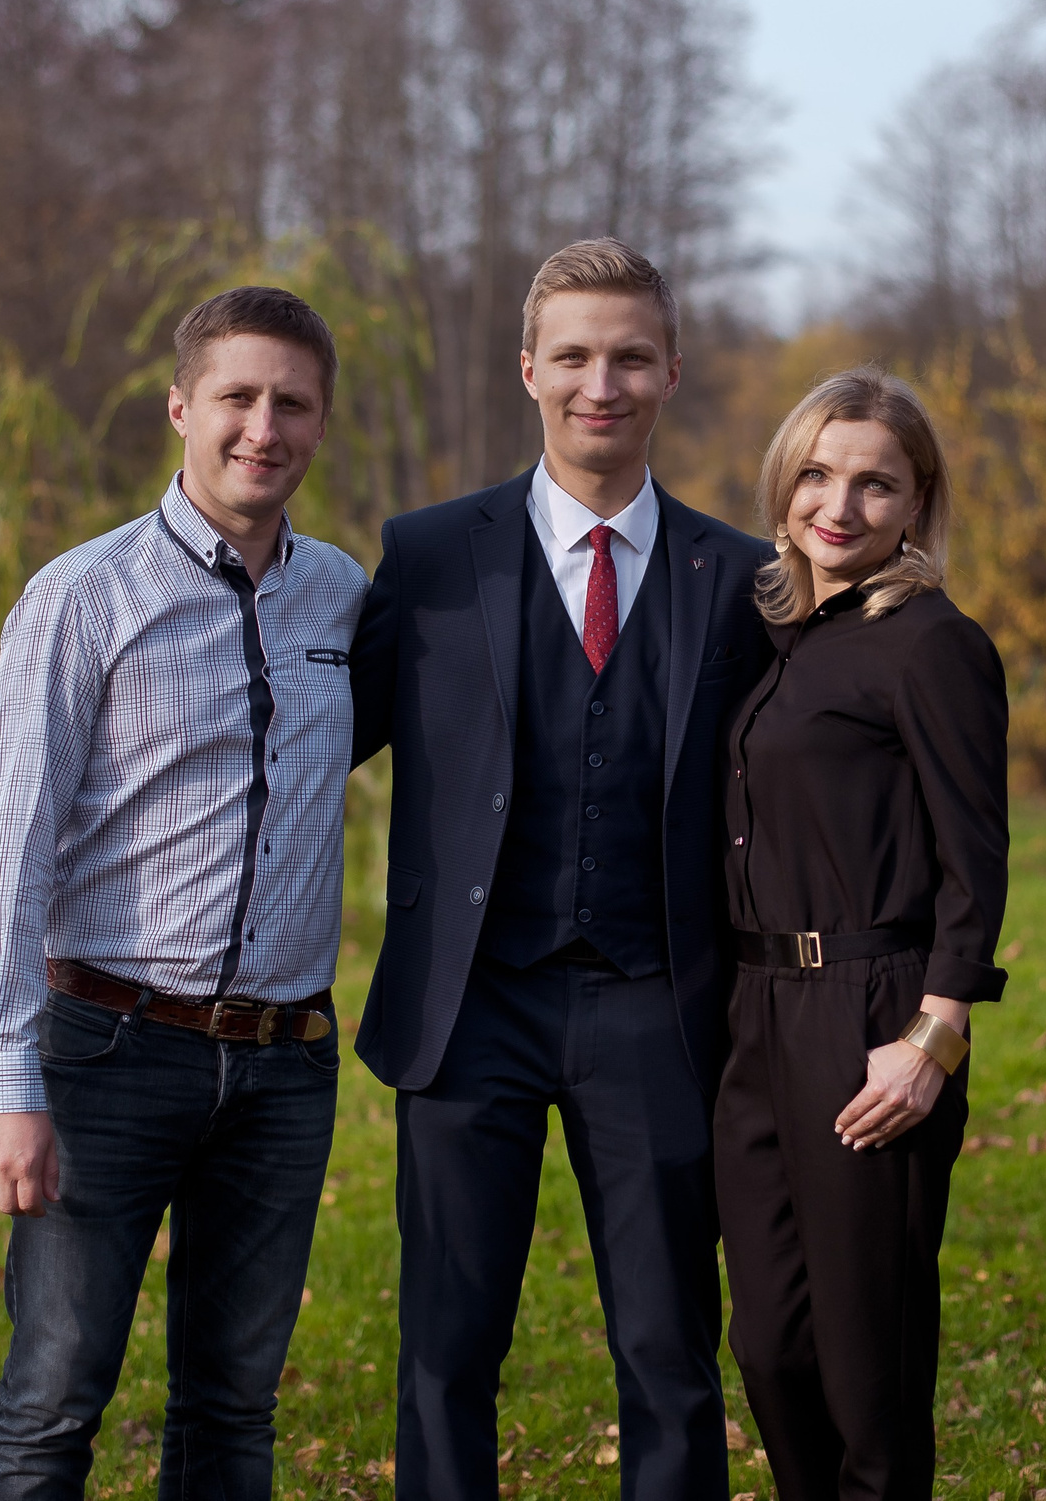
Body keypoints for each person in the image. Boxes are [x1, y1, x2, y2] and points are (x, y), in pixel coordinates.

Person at [350, 237, 775, 1501]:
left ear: (671, 371)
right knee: (446, 1348)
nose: (603, 382)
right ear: (528, 367)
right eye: (576, 355)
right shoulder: (432, 553)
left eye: (631, 356)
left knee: (668, 1349)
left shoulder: (740, 577)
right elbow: (317, 739)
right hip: (466, 1000)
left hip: (655, 1001)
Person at [0, 286, 368, 1500]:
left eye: (292, 403)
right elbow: (12, 852)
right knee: (52, 1400)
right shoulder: (82, 596)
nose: (264, 427)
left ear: (321, 421)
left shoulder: (342, 596)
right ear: (182, 406)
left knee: (233, 1407)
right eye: (238, 396)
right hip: (109, 1050)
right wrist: (4, 1085)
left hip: (284, 1065)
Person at [714, 366, 1008, 1501]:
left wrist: (934, 1037)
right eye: (818, 474)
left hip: (871, 1010)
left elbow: (973, 857)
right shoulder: (779, 631)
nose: (838, 505)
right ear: (784, 483)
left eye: (875, 484)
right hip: (756, 1016)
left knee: (864, 1366)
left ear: (917, 501)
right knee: (770, 1347)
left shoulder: (930, 643)